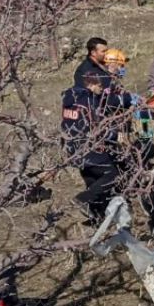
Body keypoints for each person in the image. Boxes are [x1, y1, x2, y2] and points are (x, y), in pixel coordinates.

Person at [61, 73, 124, 221]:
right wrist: (116, 136)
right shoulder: (88, 101)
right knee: (112, 175)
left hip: (72, 148)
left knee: (93, 181)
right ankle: (82, 199)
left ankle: (96, 216)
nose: (101, 90)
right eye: (100, 86)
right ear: (91, 85)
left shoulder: (70, 99)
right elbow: (96, 128)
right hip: (88, 148)